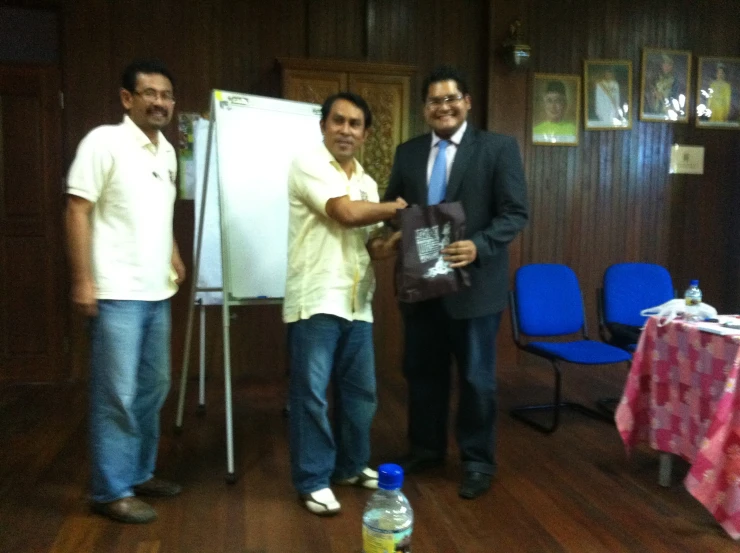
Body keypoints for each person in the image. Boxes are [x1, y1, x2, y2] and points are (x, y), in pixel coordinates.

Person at [383, 66, 528, 499]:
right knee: (422, 372)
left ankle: (477, 460)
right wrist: (394, 227)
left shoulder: (497, 149)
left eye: (450, 99)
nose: (442, 107)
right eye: (433, 101)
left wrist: (479, 245)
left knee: (476, 379)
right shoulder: (407, 153)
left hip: (475, 286)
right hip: (421, 282)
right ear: (424, 109)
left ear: (466, 102)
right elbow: (395, 206)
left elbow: (515, 213)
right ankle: (426, 449)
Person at [65, 59, 186, 524]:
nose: (160, 102)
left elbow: (158, 213)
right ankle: (110, 489)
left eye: (167, 94)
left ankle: (138, 472)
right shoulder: (103, 142)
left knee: (153, 387)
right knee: (115, 392)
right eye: (150, 93)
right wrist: (83, 279)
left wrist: (173, 252)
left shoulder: (167, 153)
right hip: (116, 290)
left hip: (157, 291)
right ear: (127, 98)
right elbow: (77, 209)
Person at [283, 92, 407, 516]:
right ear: (324, 125)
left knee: (361, 395)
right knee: (312, 396)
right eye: (339, 121)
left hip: (357, 303)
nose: (346, 130)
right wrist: (399, 208)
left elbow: (367, 245)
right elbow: (346, 214)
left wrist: (397, 241)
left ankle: (350, 467)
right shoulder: (308, 164)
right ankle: (313, 479)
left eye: (355, 124)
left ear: (366, 133)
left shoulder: (367, 182)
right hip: (317, 300)